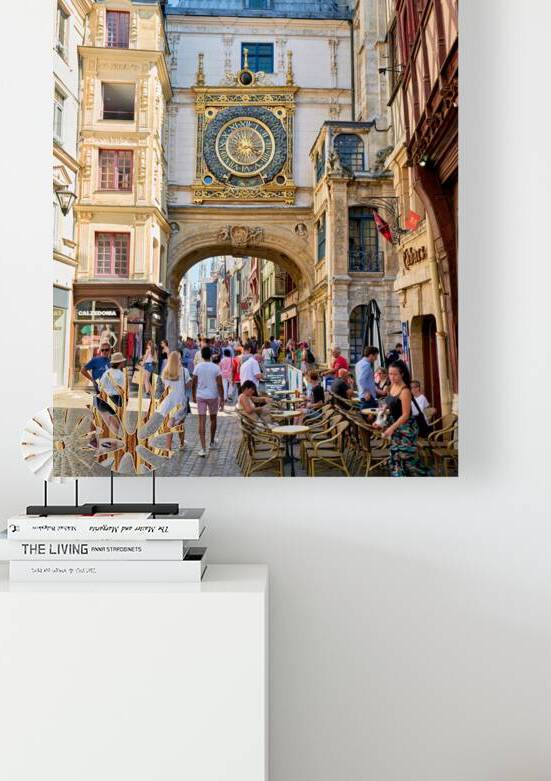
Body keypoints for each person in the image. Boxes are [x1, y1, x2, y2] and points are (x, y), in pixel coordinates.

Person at [378, 360, 431, 477]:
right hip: (396, 427)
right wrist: (381, 417)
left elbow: (405, 415)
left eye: (395, 374)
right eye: (390, 374)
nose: (392, 377)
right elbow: (390, 403)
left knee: (409, 461)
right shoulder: (392, 386)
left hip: (407, 429)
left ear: (402, 374)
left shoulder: (405, 391)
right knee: (396, 459)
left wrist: (391, 428)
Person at [192, 346, 224, 457]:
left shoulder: (198, 367)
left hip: (200, 396)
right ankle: (211, 442)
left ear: (201, 355)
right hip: (213, 396)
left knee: (201, 421)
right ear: (211, 355)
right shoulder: (216, 367)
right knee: (213, 419)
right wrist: (222, 398)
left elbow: (194, 383)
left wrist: (193, 395)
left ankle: (203, 448)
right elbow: (220, 384)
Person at [159, 351, 191, 450]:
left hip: (169, 401)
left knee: (170, 423)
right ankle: (181, 443)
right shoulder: (184, 371)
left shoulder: (165, 371)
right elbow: (188, 385)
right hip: (180, 401)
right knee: (180, 422)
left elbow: (164, 385)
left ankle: (168, 447)